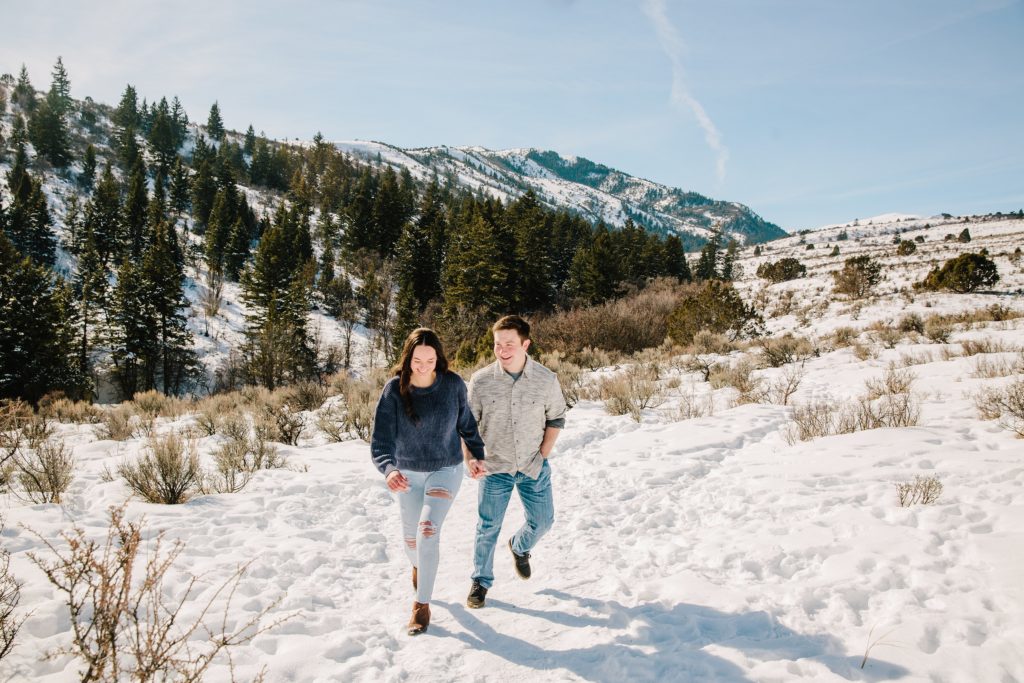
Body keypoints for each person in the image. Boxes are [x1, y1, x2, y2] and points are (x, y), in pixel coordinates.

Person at [371, 328, 486, 635]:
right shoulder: (394, 390)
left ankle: (421, 606)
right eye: (417, 360)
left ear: (439, 359)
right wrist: (389, 469)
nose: (423, 366)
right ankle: (420, 564)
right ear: (408, 359)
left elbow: (467, 426)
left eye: (430, 359)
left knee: (427, 530)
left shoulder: (452, 385)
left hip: (445, 469)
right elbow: (381, 440)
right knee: (412, 542)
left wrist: (474, 456)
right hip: (407, 474)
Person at [463, 315, 567, 608]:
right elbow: (468, 425)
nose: (503, 349)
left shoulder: (546, 379)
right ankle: (480, 581)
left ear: (525, 344)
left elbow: (556, 417)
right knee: (487, 527)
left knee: (543, 522)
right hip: (495, 467)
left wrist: (543, 454)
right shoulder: (481, 381)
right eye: (498, 344)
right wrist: (470, 458)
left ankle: (520, 547)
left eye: (509, 343)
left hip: (533, 466)